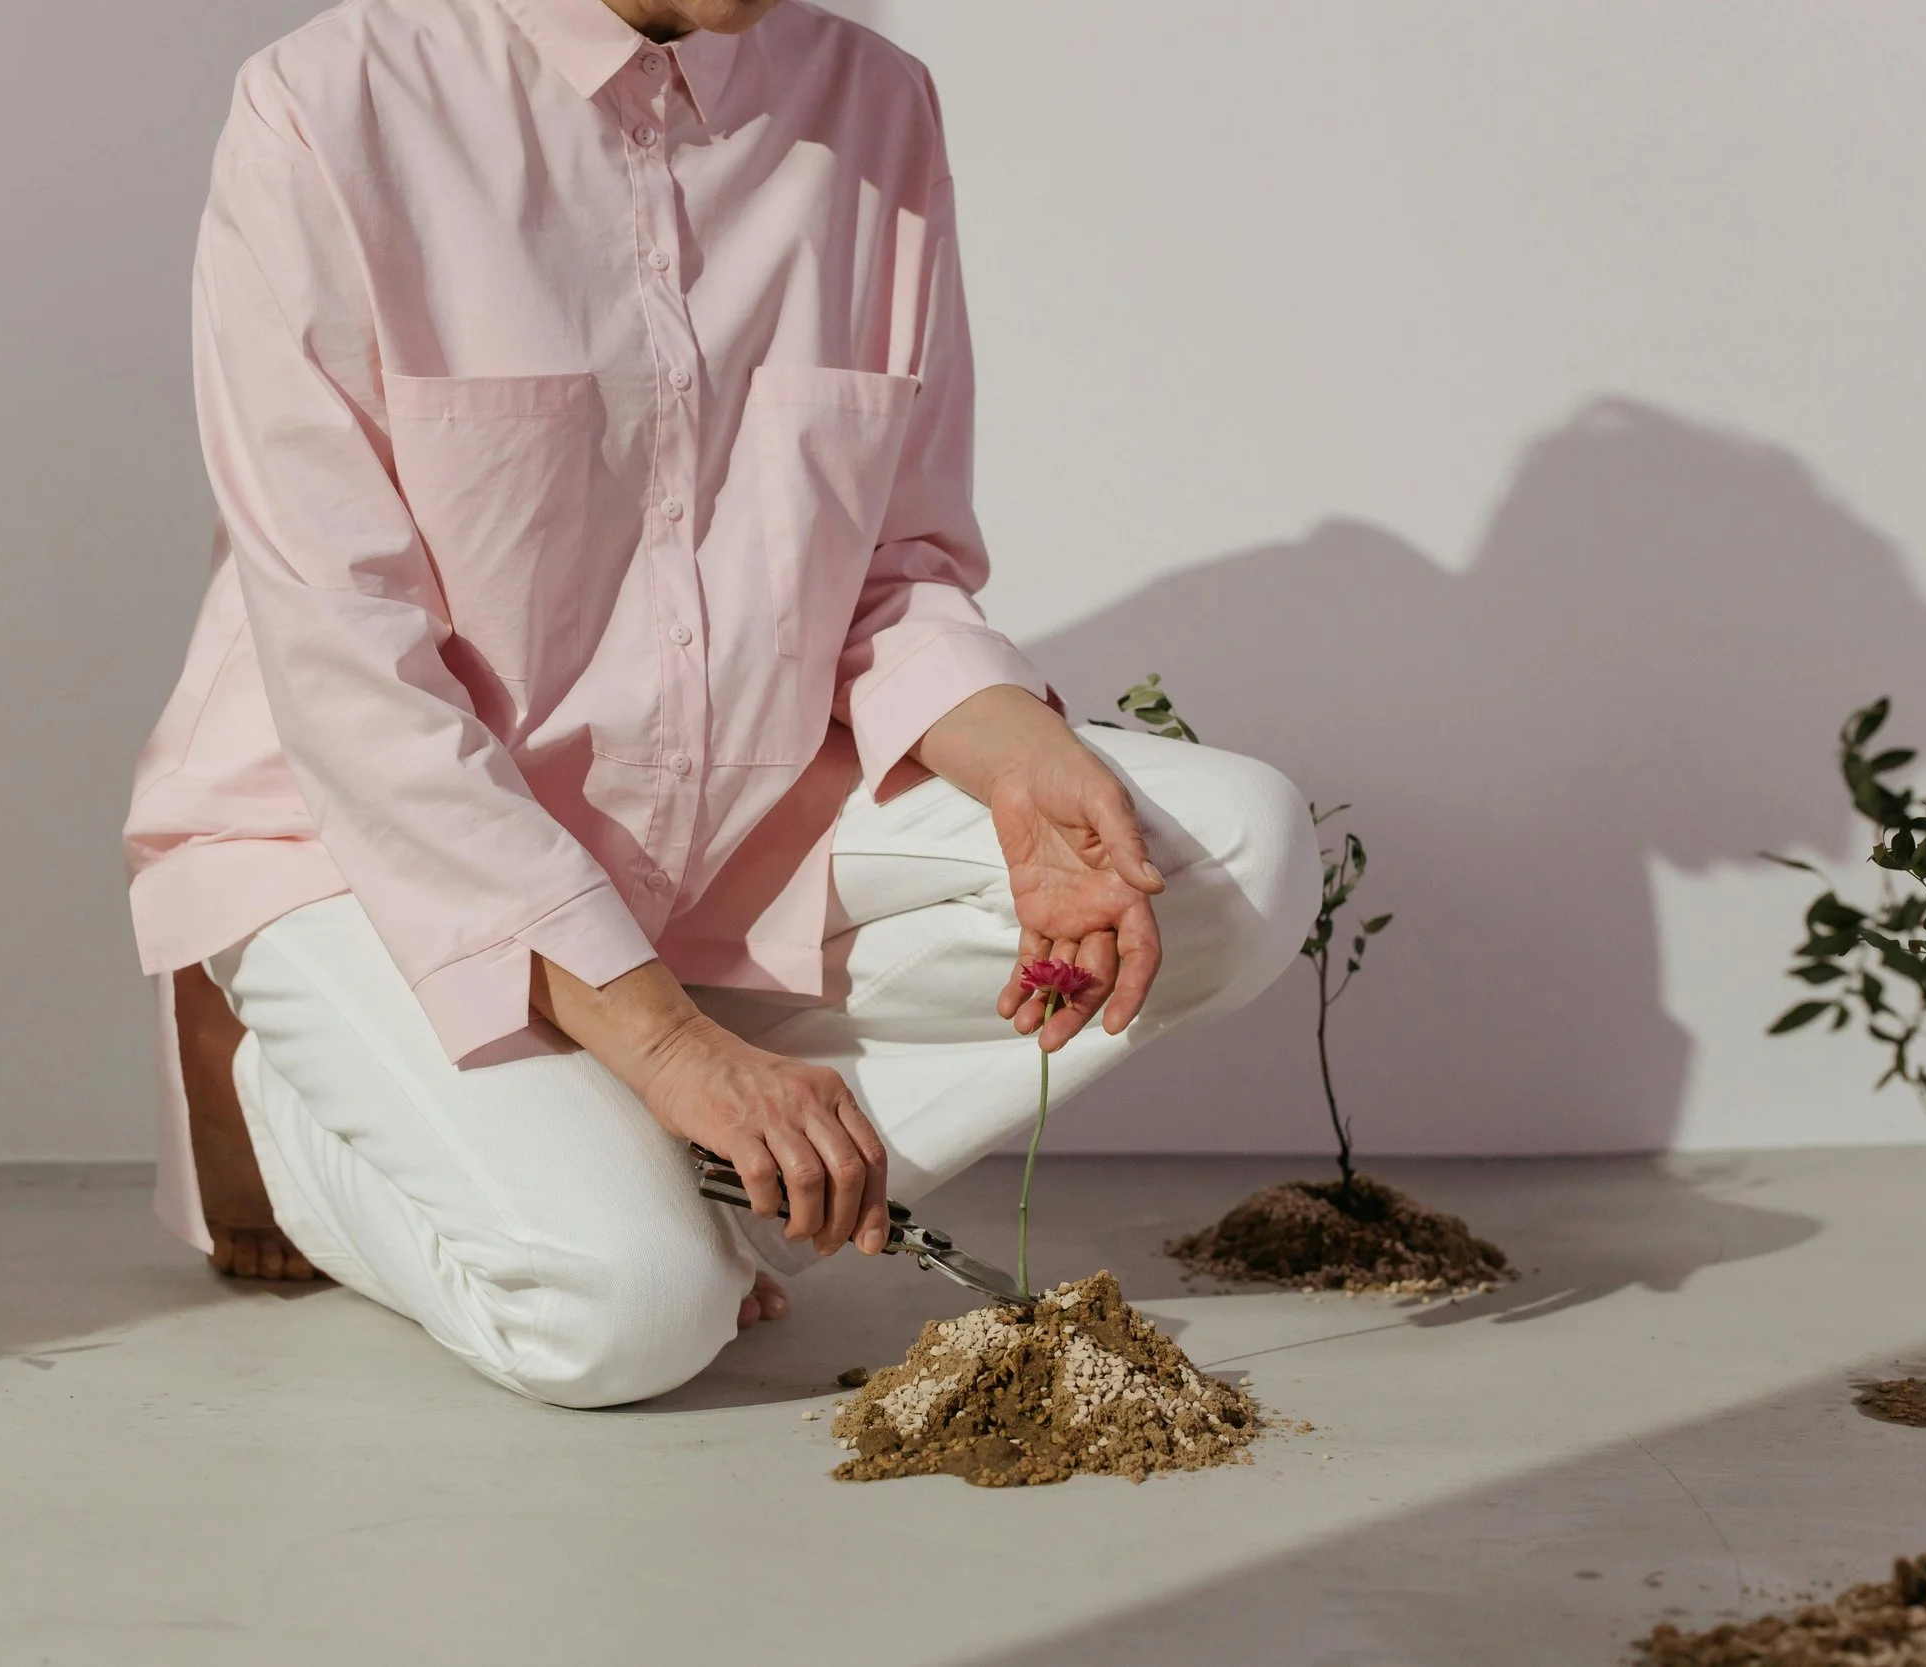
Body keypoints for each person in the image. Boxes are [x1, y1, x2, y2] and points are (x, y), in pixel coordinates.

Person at [123, 0, 1314, 1409]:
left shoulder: (875, 103)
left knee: (1230, 859)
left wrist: (1017, 755)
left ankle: (691, 1179)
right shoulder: (331, 107)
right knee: (625, 1316)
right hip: (354, 846)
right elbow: (345, 665)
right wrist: (675, 1047)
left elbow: (897, 565)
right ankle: (287, 1111)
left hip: (725, 823)